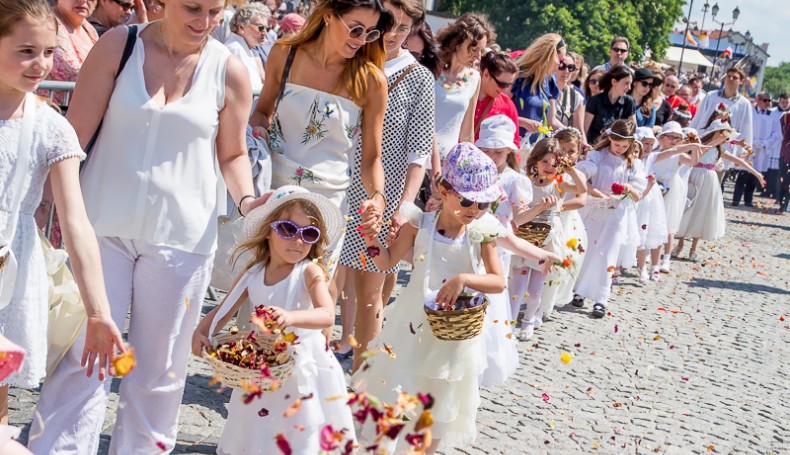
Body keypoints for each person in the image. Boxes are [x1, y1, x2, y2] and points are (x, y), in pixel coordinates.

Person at [30, 0, 262, 451]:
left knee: (160, 371)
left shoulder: (230, 70)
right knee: (84, 358)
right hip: (101, 226)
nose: (205, 23)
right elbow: (72, 139)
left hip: (184, 237)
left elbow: (232, 154)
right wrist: (44, 206)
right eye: (193, 8)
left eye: (216, 13)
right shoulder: (119, 46)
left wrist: (249, 200)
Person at [0, 0, 124, 428]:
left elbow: (75, 222)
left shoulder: (52, 128)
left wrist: (97, 310)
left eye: (50, 51)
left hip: (7, 274)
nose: (41, 65)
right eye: (26, 51)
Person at [351, 143, 506, 453]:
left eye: (483, 205)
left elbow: (498, 281)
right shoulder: (418, 224)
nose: (474, 211)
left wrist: (464, 279)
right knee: (397, 397)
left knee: (437, 406)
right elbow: (387, 261)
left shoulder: (480, 233)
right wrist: (372, 242)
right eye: (467, 201)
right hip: (412, 327)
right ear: (445, 190)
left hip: (453, 339)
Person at [192, 186, 355, 454]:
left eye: (309, 234)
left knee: (298, 428)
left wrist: (291, 317)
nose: (299, 240)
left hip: (302, 365)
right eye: (288, 229)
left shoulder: (309, 271)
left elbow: (327, 315)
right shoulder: (253, 273)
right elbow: (224, 310)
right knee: (257, 427)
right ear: (269, 230)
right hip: (263, 364)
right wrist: (202, 331)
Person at [249, 0, 394, 290]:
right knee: (260, 295)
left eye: (370, 33)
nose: (361, 40)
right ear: (329, 16)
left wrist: (378, 198)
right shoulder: (285, 53)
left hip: (327, 206)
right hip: (273, 194)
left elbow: (371, 158)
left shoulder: (371, 81)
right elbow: (262, 112)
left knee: (310, 299)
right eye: (355, 29)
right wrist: (257, 134)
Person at [336, 0, 435, 372]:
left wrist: (405, 205)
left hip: (384, 195)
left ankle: (362, 383)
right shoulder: (351, 60)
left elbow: (419, 150)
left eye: (406, 28)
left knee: (368, 294)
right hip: (335, 186)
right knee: (323, 284)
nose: (395, 34)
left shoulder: (418, 78)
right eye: (391, 23)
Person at [510, 137, 586, 338]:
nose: (549, 167)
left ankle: (528, 321)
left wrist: (569, 169)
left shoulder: (559, 184)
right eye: (544, 161)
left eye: (554, 163)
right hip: (524, 238)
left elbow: (581, 189)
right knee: (517, 286)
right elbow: (519, 212)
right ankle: (509, 322)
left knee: (535, 289)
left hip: (546, 241)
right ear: (535, 161)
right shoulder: (526, 183)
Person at [571, 120, 647, 318]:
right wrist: (598, 193)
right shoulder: (597, 156)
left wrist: (627, 189)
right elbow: (585, 176)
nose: (620, 149)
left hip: (617, 214)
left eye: (624, 146)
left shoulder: (633, 164)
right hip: (594, 210)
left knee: (607, 254)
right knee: (587, 250)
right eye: (616, 144)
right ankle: (579, 290)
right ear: (609, 139)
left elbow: (638, 193)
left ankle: (601, 298)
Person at [674, 121, 765, 259]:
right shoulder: (700, 142)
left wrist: (756, 173)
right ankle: (680, 244)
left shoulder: (719, 149)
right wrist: (717, 141)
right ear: (717, 132)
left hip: (709, 179)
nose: (726, 137)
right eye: (724, 133)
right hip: (694, 175)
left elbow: (738, 161)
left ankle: (693, 249)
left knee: (703, 211)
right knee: (688, 208)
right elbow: (700, 152)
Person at [433, 13, 492, 167]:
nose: (478, 56)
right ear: (457, 43)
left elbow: (467, 131)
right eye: (473, 48)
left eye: (481, 50)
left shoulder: (474, 78)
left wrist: (468, 163)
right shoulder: (431, 69)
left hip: (448, 163)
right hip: (417, 156)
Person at [690, 67, 754, 205]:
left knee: (716, 181)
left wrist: (745, 150)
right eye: (729, 76)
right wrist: (691, 133)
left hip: (724, 148)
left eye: (735, 77)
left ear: (741, 81)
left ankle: (709, 208)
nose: (730, 79)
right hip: (704, 143)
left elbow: (746, 128)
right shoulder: (712, 96)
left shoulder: (743, 104)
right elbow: (699, 116)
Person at [651, 122, 700, 272]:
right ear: (661, 138)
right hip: (653, 188)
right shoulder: (654, 153)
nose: (674, 141)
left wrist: (695, 147)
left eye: (678, 138)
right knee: (650, 221)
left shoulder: (678, 156)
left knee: (668, 226)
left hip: (670, 189)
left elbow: (693, 162)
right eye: (671, 137)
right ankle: (647, 252)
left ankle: (665, 258)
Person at [551, 127, 587, 307]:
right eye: (562, 149)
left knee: (563, 258)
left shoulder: (578, 175)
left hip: (568, 221)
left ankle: (551, 298)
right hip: (548, 219)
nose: (566, 155)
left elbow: (582, 200)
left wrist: (559, 207)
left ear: (578, 152)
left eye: (571, 151)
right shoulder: (547, 169)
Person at [510, 33, 566, 144]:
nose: (560, 64)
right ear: (548, 55)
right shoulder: (516, 76)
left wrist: (574, 136)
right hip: (514, 145)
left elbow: (552, 121)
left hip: (537, 151)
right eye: (560, 58)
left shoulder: (550, 80)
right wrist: (523, 122)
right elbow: (498, 112)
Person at [633, 127, 667, 282]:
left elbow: (674, 151)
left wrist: (693, 146)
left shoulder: (652, 158)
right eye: (644, 143)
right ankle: (619, 267)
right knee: (631, 233)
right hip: (635, 197)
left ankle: (646, 267)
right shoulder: (632, 160)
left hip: (650, 199)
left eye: (650, 144)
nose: (647, 147)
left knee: (647, 232)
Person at [584, 64, 637, 144]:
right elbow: (584, 129)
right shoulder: (595, 101)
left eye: (630, 84)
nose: (629, 88)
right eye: (626, 83)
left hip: (617, 149)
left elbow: (633, 130)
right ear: (614, 82)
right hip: (595, 147)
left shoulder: (629, 102)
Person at [473, 51, 519, 143]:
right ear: (486, 74)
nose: (505, 90)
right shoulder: (464, 97)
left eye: (509, 85)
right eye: (502, 84)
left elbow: (514, 142)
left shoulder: (507, 104)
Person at [225, 3, 270, 95]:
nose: (265, 33)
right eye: (260, 27)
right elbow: (251, 88)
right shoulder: (236, 49)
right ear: (241, 27)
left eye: (267, 28)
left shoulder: (243, 47)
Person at [751, 93, 782, 198]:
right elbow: (745, 128)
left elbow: (777, 134)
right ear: (758, 100)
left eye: (769, 101)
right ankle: (737, 198)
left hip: (764, 149)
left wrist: (765, 144)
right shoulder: (751, 113)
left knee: (760, 173)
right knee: (746, 173)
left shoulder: (772, 115)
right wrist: (753, 141)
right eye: (765, 100)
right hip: (751, 147)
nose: (768, 103)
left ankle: (750, 198)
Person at [555, 53, 585, 136]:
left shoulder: (576, 97)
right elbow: (551, 121)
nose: (566, 71)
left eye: (571, 67)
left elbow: (579, 128)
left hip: (564, 144)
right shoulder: (544, 91)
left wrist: (584, 146)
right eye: (562, 66)